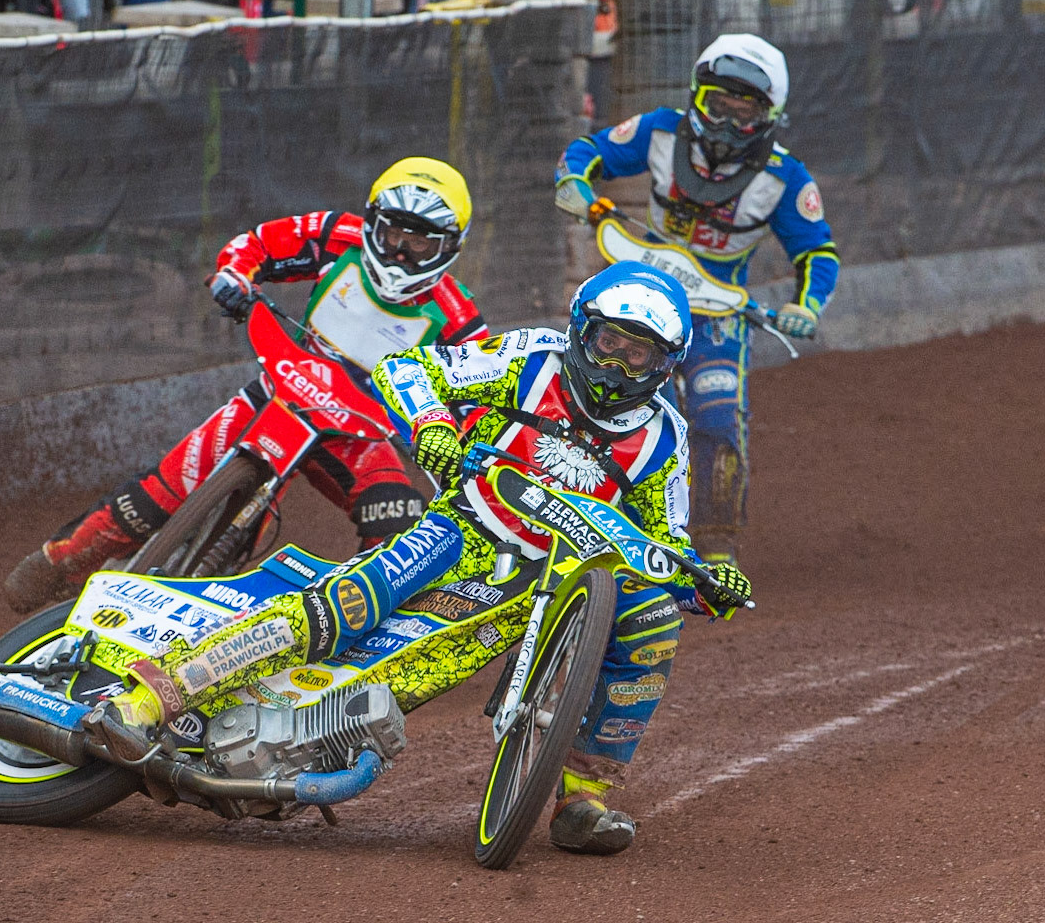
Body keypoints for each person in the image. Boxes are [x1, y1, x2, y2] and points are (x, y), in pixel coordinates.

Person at [83, 261, 752, 857]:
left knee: (404, 679)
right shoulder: (529, 358)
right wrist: (432, 426)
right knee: (341, 611)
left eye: (638, 358)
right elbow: (410, 369)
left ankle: (579, 800)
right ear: (582, 331)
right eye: (608, 345)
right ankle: (148, 699)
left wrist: (704, 583)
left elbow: (663, 542)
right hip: (461, 528)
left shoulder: (664, 434)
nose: (616, 368)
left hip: (531, 583)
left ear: (665, 365)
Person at [5, 157, 489, 613]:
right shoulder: (336, 237)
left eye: (420, 242)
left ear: (449, 246)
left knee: (402, 526)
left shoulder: (458, 319)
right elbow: (257, 244)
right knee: (148, 502)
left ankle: (360, 635)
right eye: (393, 233)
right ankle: (59, 563)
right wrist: (234, 276)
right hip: (283, 390)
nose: (401, 252)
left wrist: (456, 444)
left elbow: (481, 403)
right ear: (371, 222)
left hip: (360, 432)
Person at [554, 33, 839, 575]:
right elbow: (588, 150)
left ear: (771, 115)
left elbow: (818, 252)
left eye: (745, 110)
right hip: (643, 302)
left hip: (719, 318)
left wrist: (809, 305)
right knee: (603, 392)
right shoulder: (660, 129)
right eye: (717, 105)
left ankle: (715, 547)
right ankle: (582, 518)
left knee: (717, 418)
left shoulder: (785, 178)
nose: (728, 123)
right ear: (695, 95)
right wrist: (575, 182)